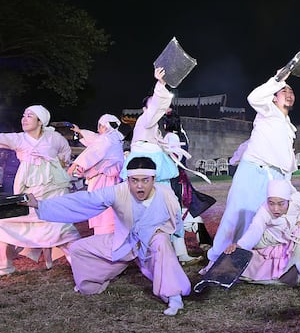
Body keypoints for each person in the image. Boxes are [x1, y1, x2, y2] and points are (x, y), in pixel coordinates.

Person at [21, 157, 191, 316]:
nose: (140, 186)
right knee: (78, 248)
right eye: (134, 180)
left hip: (152, 245)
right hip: (125, 242)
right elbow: (85, 200)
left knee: (161, 241)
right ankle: (93, 284)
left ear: (153, 179)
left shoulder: (166, 193)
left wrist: (169, 237)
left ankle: (174, 295)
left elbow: (175, 221)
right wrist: (40, 205)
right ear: (128, 179)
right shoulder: (118, 191)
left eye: (145, 180)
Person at [203, 67, 298, 270]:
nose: (289, 94)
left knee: (259, 218)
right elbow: (254, 97)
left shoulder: (288, 125)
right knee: (235, 215)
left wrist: (285, 180)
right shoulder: (267, 111)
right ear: (273, 97)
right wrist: (278, 79)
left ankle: (244, 258)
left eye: (291, 91)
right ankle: (216, 259)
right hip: (253, 170)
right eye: (284, 91)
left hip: (273, 176)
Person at [0, 105, 81, 275]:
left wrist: (61, 162)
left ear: (40, 121)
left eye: (29, 116)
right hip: (30, 192)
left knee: (62, 228)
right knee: (6, 222)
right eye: (23, 115)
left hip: (55, 189)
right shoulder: (19, 139)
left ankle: (81, 264)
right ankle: (5, 264)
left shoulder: (54, 138)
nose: (24, 119)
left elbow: (65, 150)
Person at [220, 179, 300, 303]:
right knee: (242, 262)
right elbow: (255, 229)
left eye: (281, 204)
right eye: (271, 203)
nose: (275, 209)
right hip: (268, 239)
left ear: (288, 200)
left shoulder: (297, 200)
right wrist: (240, 245)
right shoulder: (264, 210)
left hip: (292, 236)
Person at [161, 110, 210, 265]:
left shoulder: (171, 136)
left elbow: (172, 159)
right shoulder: (182, 135)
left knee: (175, 215)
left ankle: (186, 252)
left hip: (173, 181)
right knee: (181, 215)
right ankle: (202, 245)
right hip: (180, 180)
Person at [67, 114, 125, 235]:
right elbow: (95, 140)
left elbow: (92, 152)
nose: (98, 129)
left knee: (101, 208)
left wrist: (75, 165)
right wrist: (80, 131)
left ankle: (103, 235)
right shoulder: (115, 138)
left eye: (100, 126)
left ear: (104, 126)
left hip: (103, 179)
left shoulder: (106, 139)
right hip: (113, 179)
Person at [120, 67, 179, 183]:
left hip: (151, 158)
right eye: (152, 104)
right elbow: (156, 106)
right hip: (146, 159)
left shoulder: (152, 123)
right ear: (145, 109)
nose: (155, 107)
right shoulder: (145, 118)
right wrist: (161, 83)